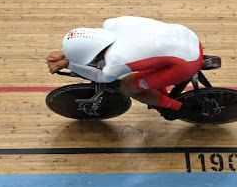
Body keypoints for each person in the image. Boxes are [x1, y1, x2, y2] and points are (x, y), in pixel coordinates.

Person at [46, 16, 203, 119]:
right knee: (142, 66)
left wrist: (69, 63)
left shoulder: (116, 59)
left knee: (127, 87)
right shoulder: (112, 23)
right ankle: (161, 94)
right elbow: (94, 51)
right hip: (186, 36)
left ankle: (175, 107)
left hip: (185, 63)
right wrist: (66, 53)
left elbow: (101, 76)